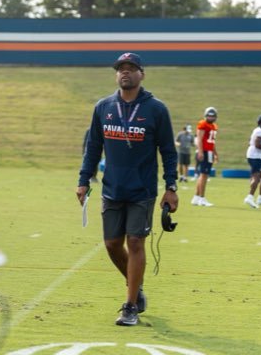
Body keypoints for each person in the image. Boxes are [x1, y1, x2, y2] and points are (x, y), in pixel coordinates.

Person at [76, 52, 178, 326]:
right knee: (111, 244)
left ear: (142, 74)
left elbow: (168, 151)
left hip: (142, 190)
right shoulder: (103, 106)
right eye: (121, 68)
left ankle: (130, 305)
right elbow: (93, 148)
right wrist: (84, 179)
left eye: (132, 68)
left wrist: (171, 186)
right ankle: (136, 286)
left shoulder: (156, 109)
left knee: (135, 242)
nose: (126, 72)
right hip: (112, 188)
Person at [191, 107, 218, 207]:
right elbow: (199, 139)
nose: (210, 118)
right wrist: (201, 152)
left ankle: (196, 197)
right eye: (209, 116)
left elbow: (212, 142)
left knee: (204, 175)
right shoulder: (203, 124)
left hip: (209, 152)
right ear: (205, 116)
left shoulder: (214, 126)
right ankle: (202, 198)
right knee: (203, 175)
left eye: (212, 116)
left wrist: (215, 153)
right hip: (204, 152)